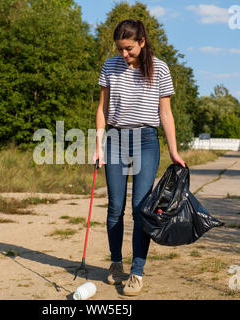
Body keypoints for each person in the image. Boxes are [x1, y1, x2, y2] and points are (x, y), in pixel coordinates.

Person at [93, 19, 186, 296]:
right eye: (120, 49)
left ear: (142, 42)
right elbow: (101, 109)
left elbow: (165, 113)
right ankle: (116, 264)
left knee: (140, 209)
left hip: (146, 141)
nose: (124, 54)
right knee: (115, 208)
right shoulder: (110, 66)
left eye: (129, 48)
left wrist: (173, 150)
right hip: (115, 139)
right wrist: (98, 145)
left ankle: (137, 272)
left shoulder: (160, 69)